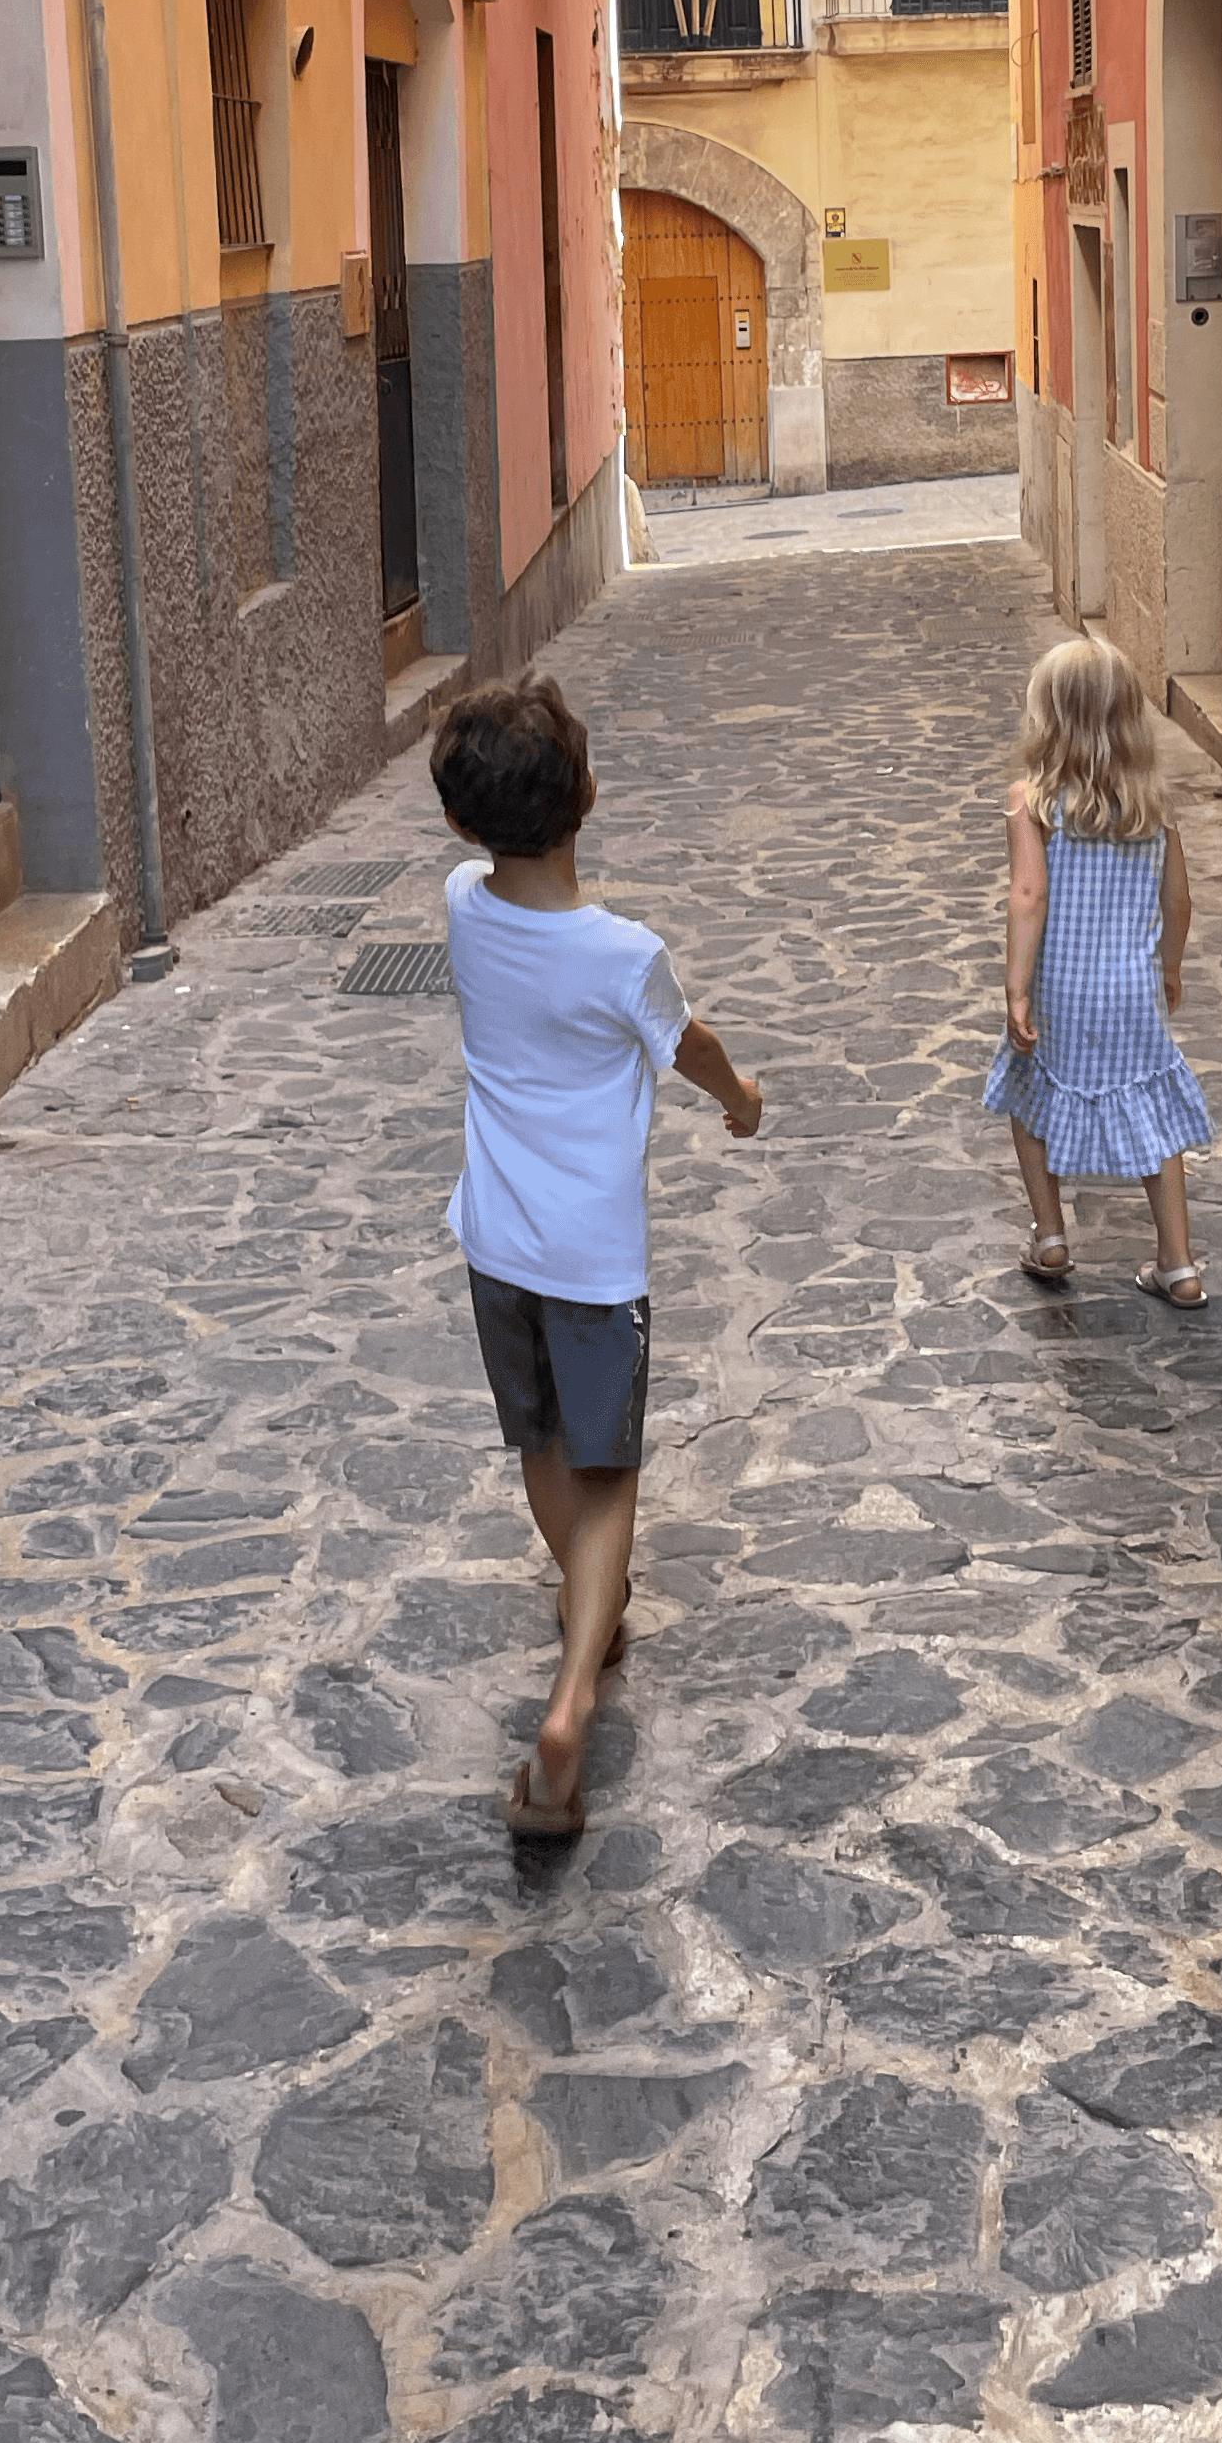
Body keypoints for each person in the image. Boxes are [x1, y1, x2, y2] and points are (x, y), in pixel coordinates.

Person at [433, 674, 763, 1837]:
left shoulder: (462, 911)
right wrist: (743, 1100)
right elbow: (692, 1045)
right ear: (589, 793)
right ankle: (572, 1698)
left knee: (541, 1444)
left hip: (495, 1245)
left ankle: (590, 1606)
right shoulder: (626, 955)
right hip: (594, 1263)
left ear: (463, 825)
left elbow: (486, 884)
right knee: (611, 1471)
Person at [984, 634, 1214, 1308]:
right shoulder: (1153, 805)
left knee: (1029, 1099)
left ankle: (1051, 1234)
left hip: (1061, 986)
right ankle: (1178, 1263)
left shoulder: (1032, 802)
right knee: (1153, 1114)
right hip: (1132, 990)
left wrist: (1017, 989)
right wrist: (1169, 967)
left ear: (1046, 718)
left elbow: (1029, 896)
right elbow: (1178, 899)